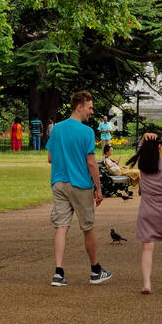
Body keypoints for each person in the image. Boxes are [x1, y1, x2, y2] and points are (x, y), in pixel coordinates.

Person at [46, 90, 111, 287]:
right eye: (90, 108)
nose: (91, 112)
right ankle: (95, 270)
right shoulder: (87, 132)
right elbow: (91, 163)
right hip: (80, 184)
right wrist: (98, 189)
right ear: (79, 106)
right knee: (88, 227)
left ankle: (58, 272)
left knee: (61, 227)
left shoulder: (56, 129)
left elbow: (50, 158)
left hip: (58, 182)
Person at [128, 133, 162, 294]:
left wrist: (144, 138)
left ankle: (147, 283)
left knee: (147, 248)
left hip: (146, 209)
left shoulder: (143, 164)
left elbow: (140, 149)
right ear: (160, 147)